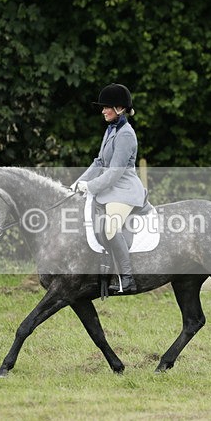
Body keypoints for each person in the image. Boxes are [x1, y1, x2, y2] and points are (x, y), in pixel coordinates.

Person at [72, 83, 146, 293]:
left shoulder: (126, 134)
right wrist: (78, 183)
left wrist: (90, 186)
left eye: (107, 107)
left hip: (124, 191)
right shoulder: (111, 129)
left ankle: (127, 278)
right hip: (110, 189)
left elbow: (115, 172)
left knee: (111, 227)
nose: (103, 111)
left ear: (120, 108)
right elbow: (99, 162)